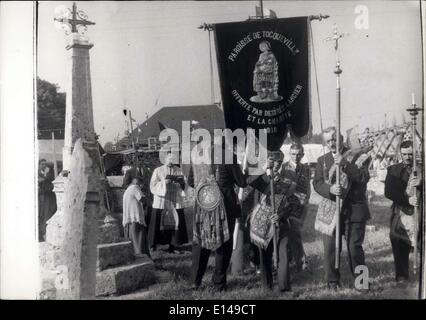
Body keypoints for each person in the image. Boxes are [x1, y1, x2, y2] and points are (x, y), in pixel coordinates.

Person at [313, 127, 371, 290]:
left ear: (340, 138)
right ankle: (332, 282)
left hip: (354, 210)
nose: (331, 143)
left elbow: (363, 178)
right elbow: (317, 184)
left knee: (354, 250)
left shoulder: (358, 156)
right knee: (330, 249)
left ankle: (362, 283)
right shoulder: (322, 160)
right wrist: (329, 189)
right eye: (328, 141)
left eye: (334, 139)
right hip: (331, 211)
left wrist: (345, 164)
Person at [189, 141, 247, 291]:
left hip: (204, 206)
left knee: (201, 243)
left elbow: (190, 181)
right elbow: (242, 182)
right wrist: (243, 171)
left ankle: (195, 281)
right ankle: (219, 284)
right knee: (223, 244)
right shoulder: (228, 156)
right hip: (225, 207)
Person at [247, 150, 293, 292]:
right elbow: (248, 181)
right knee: (264, 255)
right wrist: (264, 168)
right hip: (262, 223)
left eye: (278, 163)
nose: (276, 165)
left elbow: (294, 202)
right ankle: (267, 286)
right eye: (272, 162)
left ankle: (284, 287)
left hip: (281, 222)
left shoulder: (289, 178)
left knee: (283, 253)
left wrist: (281, 214)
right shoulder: (262, 178)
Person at [384, 140, 422, 282]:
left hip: (421, 215)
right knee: (399, 244)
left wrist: (421, 184)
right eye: (405, 154)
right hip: (400, 213)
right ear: (400, 153)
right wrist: (407, 200)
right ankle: (401, 276)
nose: (407, 157)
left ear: (415, 152)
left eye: (410, 154)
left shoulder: (422, 169)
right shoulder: (393, 170)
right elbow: (388, 192)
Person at [149, 151, 188, 253]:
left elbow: (185, 185)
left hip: (175, 199)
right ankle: (154, 244)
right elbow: (152, 186)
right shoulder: (158, 170)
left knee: (175, 222)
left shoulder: (179, 170)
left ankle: (173, 245)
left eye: (173, 159)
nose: (171, 161)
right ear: (165, 158)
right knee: (158, 223)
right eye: (169, 158)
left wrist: (181, 182)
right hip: (162, 201)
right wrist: (164, 183)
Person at [283, 143, 311, 272]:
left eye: (299, 154)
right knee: (290, 235)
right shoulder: (284, 168)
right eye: (293, 154)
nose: (296, 157)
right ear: (290, 154)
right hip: (285, 206)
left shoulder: (306, 169)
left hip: (300, 207)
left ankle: (295, 261)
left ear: (302, 154)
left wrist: (306, 201)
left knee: (294, 233)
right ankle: (300, 262)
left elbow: (308, 188)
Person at [122, 176, 150, 258]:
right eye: (141, 185)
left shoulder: (127, 190)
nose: (141, 187)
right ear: (138, 183)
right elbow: (142, 199)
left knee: (133, 240)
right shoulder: (135, 187)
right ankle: (142, 259)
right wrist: (148, 198)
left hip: (129, 218)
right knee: (139, 240)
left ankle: (137, 257)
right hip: (135, 218)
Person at [38, 159, 57, 242]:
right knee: (40, 216)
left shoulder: (48, 175)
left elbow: (48, 185)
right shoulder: (39, 174)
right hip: (40, 198)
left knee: (45, 216)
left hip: (46, 198)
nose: (43, 166)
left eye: (45, 164)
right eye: (42, 164)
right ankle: (40, 235)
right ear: (39, 165)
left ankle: (43, 234)